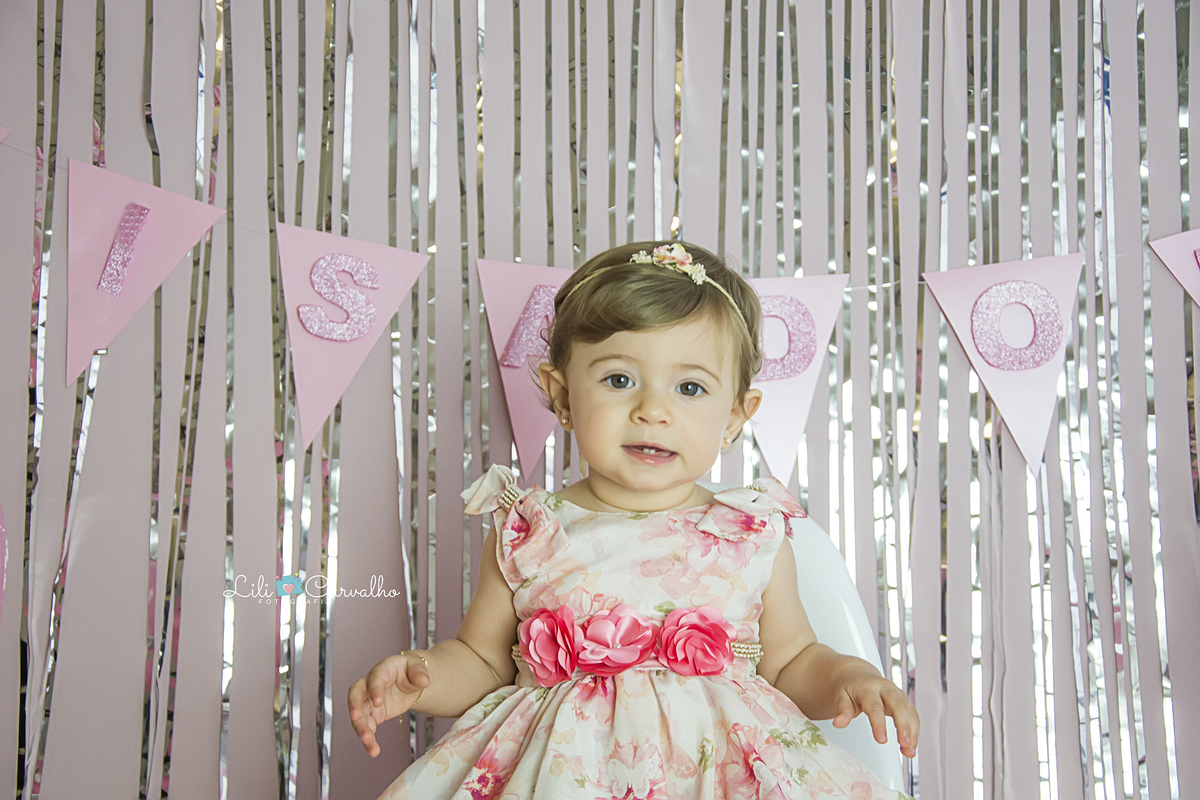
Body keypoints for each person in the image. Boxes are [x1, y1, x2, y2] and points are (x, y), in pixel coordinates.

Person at [348, 241, 919, 799]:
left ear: (736, 416)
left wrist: (850, 678)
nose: (653, 409)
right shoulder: (530, 530)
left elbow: (794, 660)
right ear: (563, 395)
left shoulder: (751, 533)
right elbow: (480, 660)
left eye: (690, 387)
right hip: (564, 775)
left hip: (716, 773)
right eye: (619, 379)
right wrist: (419, 675)